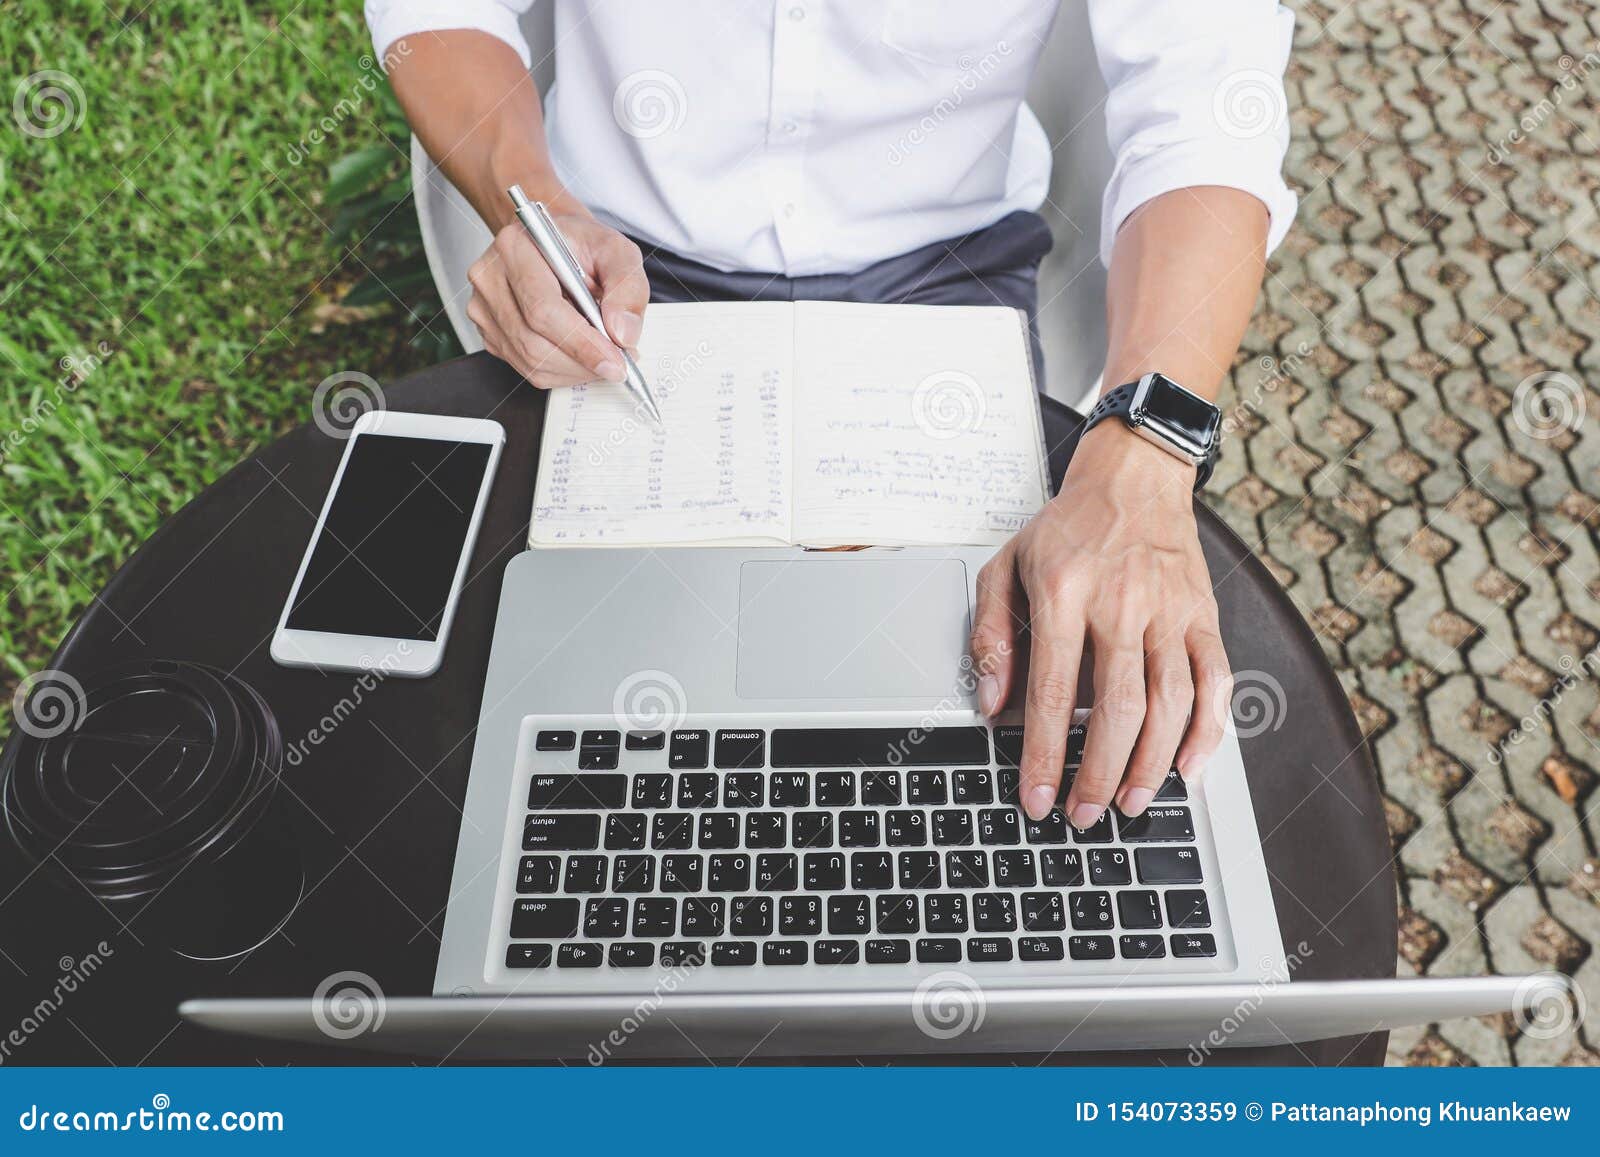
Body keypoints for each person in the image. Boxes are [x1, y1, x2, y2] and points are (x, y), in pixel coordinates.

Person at [366, 1, 1297, 828]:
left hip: (947, 261)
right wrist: (528, 204)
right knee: (582, 700)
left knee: (972, 715)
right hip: (617, 253)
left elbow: (1208, 103)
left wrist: (1146, 452)